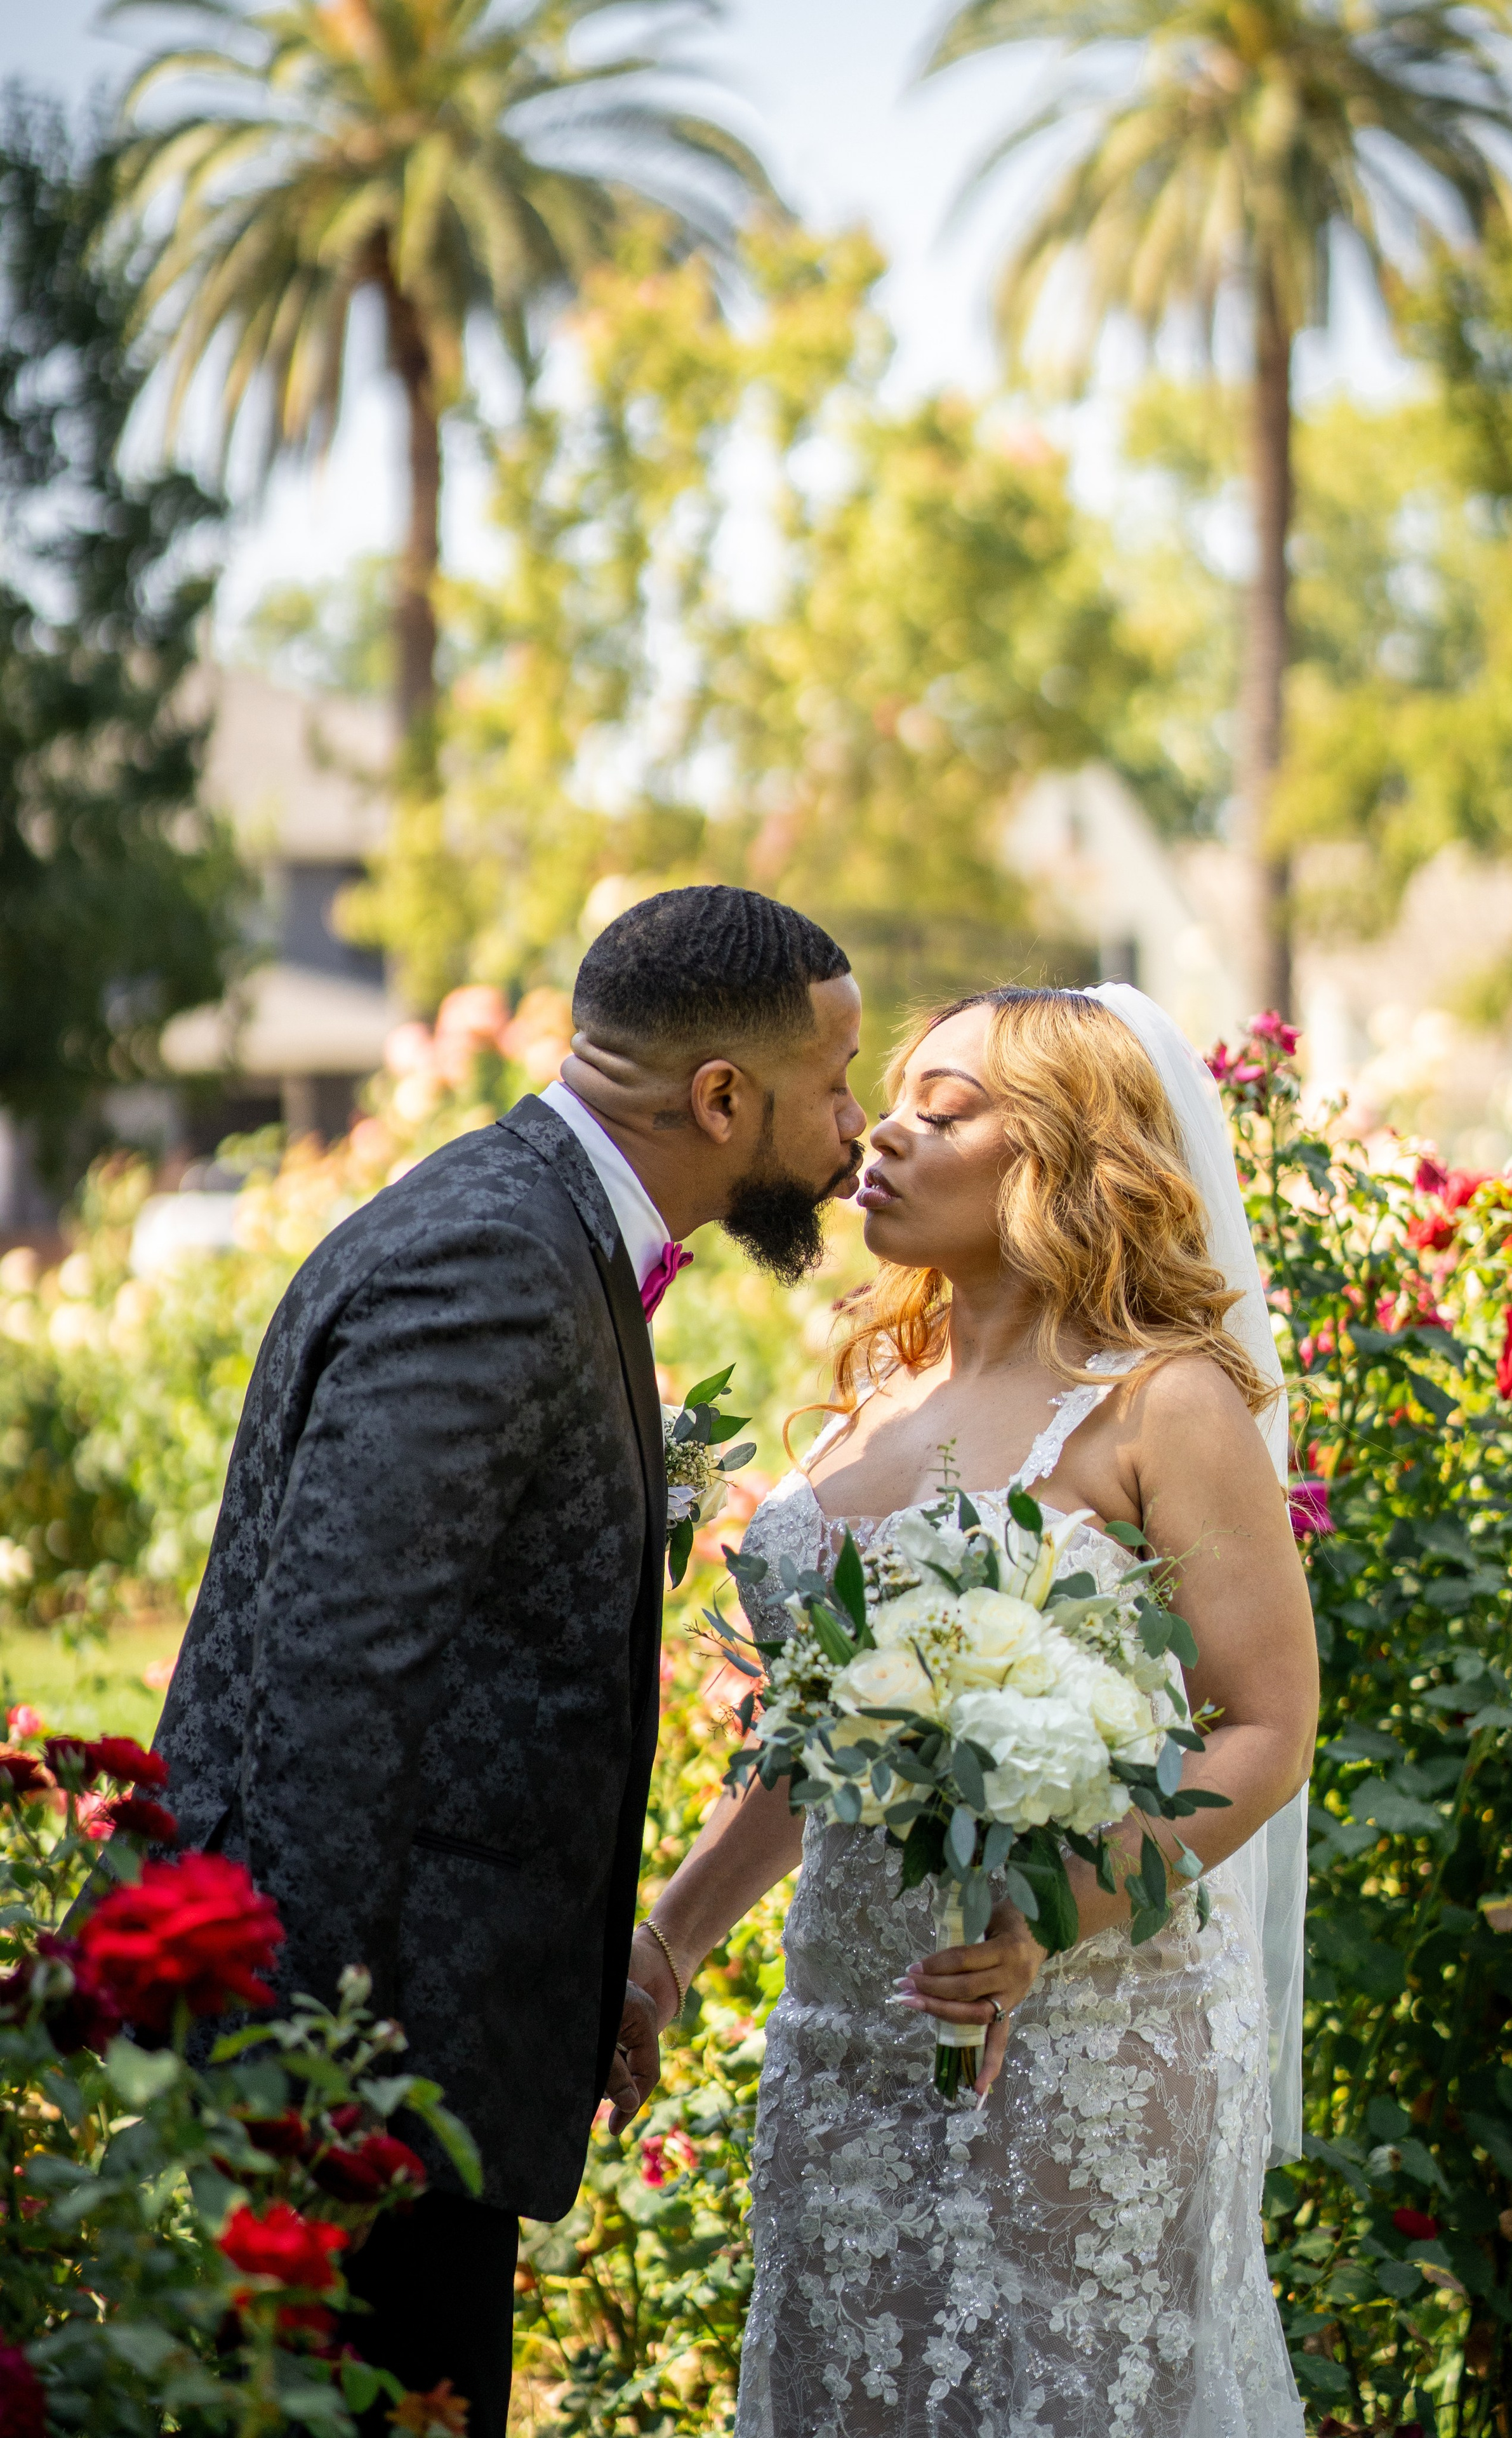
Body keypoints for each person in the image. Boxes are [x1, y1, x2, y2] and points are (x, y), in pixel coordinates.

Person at [153, 885, 866, 2438]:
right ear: (720, 1098)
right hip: (362, 2076)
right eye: (836, 1084)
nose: (857, 1128)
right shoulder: (491, 1259)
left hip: (416, 2050)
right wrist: (311, 2097)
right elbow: (340, 1672)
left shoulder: (537, 1228)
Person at [630, 983, 1319, 2437]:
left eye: (943, 1111)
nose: (882, 1130)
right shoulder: (872, 1398)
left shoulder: (1160, 1407)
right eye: (891, 1100)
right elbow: (816, 1744)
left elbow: (1261, 1726)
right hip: (845, 2026)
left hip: (1084, 2036)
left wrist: (1049, 1920)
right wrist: (669, 1942)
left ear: (1065, 1154)